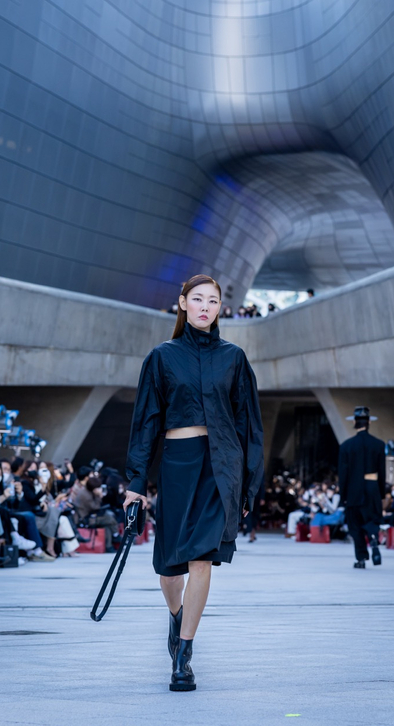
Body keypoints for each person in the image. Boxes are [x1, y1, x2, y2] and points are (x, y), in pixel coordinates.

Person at [124, 274, 264, 692]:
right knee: (169, 566)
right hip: (176, 465)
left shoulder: (234, 358)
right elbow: (145, 420)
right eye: (197, 299)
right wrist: (135, 480)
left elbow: (248, 424)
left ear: (221, 308)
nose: (205, 306)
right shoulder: (162, 357)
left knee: (202, 559)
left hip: (220, 466)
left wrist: (247, 486)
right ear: (182, 304)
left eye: (213, 300)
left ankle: (183, 655)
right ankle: (176, 615)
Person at [338, 406, 386, 569]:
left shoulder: (346, 446)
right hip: (372, 488)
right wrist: (381, 493)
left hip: (353, 491)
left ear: (354, 422)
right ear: (369, 423)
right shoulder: (378, 445)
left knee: (355, 525)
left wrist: (342, 496)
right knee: (372, 519)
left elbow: (343, 474)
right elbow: (382, 471)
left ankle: (361, 559)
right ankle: (373, 539)